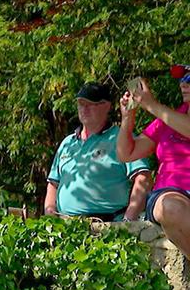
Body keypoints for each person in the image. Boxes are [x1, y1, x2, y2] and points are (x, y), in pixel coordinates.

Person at [44, 83, 153, 220]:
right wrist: (50, 218)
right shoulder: (67, 143)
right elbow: (53, 184)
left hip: (106, 224)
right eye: (81, 104)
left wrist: (128, 220)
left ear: (106, 106)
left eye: (90, 104)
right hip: (65, 225)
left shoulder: (122, 138)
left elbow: (143, 179)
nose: (84, 109)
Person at [119, 68, 190, 259]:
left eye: (189, 78)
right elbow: (127, 153)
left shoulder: (166, 115)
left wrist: (151, 105)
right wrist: (127, 118)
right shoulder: (168, 119)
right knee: (170, 207)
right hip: (172, 193)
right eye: (182, 78)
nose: (184, 83)